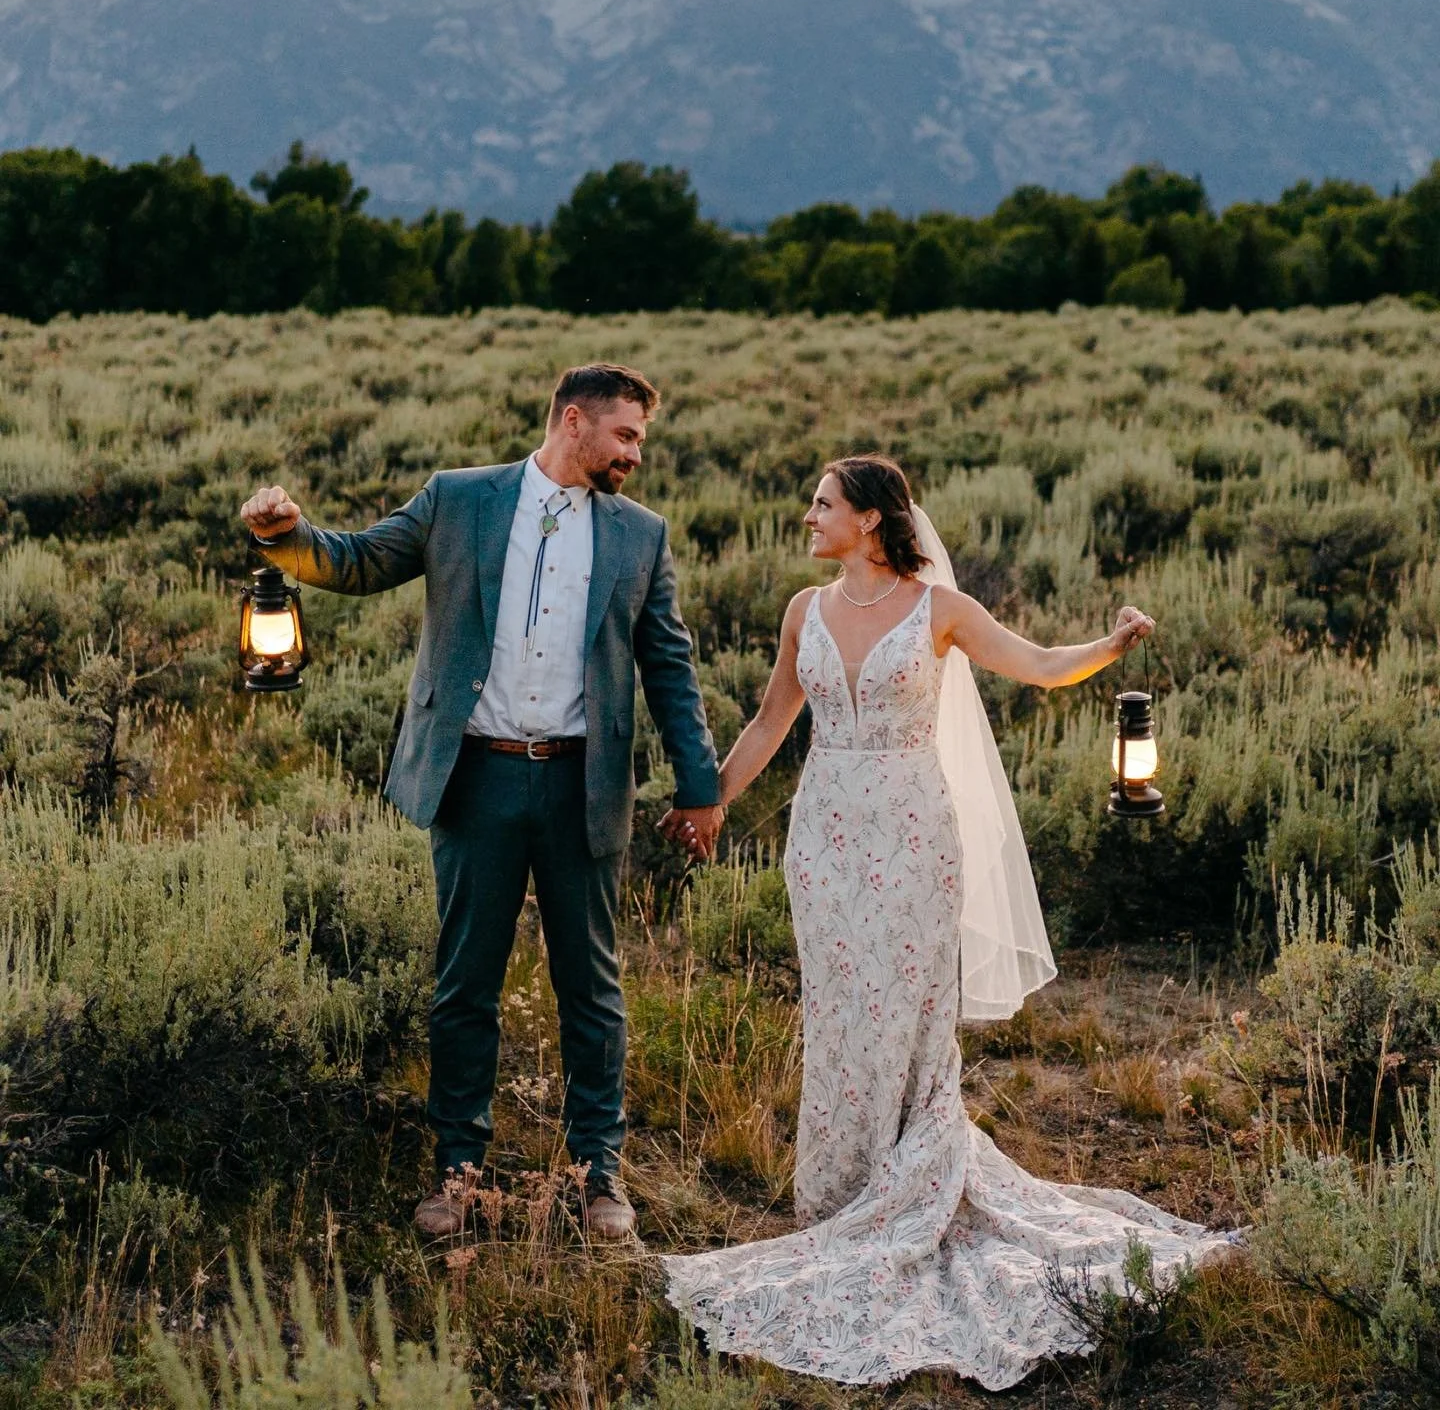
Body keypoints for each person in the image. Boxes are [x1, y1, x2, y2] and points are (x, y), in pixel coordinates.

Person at [663, 454, 1236, 1389]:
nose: (808, 516)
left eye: (823, 504)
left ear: (871, 519)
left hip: (914, 835)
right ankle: (844, 1190)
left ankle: (911, 1183)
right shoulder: (805, 611)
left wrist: (1110, 643)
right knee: (839, 1010)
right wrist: (709, 801)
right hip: (825, 837)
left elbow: (1039, 668)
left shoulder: (939, 611)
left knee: (909, 1010)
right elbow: (770, 724)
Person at [240, 362, 722, 1242]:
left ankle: (599, 1172)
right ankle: (457, 1169)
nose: (635, 455)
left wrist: (701, 789)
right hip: (476, 777)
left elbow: (670, 667)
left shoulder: (641, 535)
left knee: (592, 990)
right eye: (625, 435)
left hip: (582, 784)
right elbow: (358, 561)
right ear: (572, 421)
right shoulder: (458, 499)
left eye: (640, 440)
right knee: (465, 985)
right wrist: (288, 536)